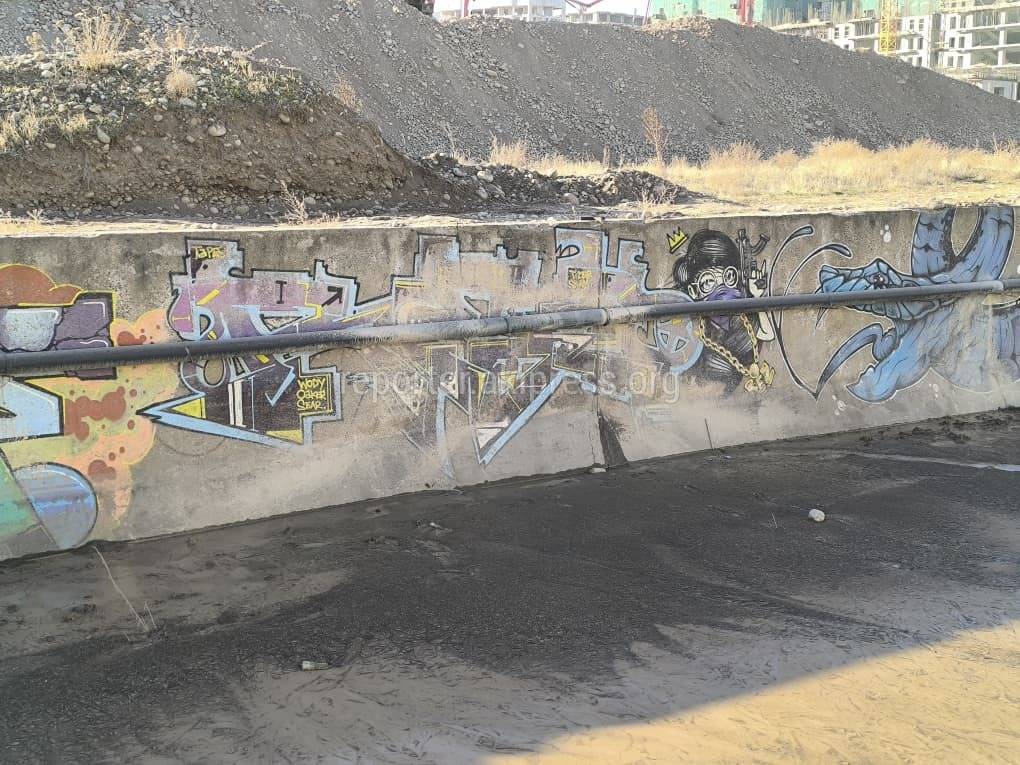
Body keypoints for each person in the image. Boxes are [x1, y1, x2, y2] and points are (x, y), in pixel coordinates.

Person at [672, 229, 775, 393]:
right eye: (708, 282)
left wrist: (757, 297)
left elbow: (767, 334)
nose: (722, 289)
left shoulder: (742, 320)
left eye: (728, 277)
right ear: (693, 291)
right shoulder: (692, 332)